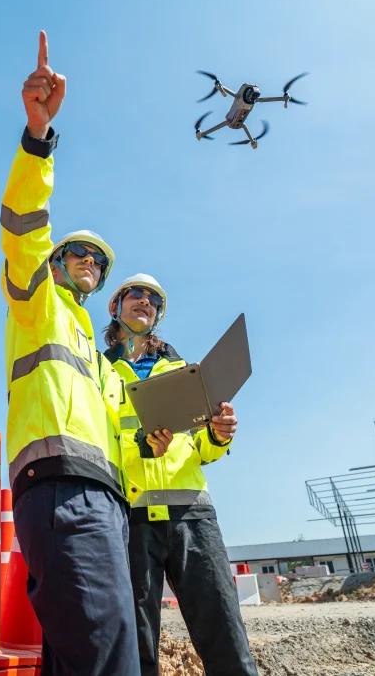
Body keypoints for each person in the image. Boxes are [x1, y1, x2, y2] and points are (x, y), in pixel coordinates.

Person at [0, 30, 140, 676]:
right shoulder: (37, 296)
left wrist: (163, 437)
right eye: (79, 252)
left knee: (81, 650)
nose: (90, 261)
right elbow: (25, 222)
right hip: (60, 488)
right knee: (108, 649)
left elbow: (122, 426)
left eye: (101, 261)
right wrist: (39, 137)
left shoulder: (92, 343)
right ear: (58, 261)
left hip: (103, 496)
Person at [102, 273, 259, 676]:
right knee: (137, 647)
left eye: (153, 298)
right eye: (135, 293)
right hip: (130, 519)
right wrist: (141, 446)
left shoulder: (185, 371)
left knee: (225, 636)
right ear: (114, 306)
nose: (145, 300)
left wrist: (219, 435)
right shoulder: (97, 374)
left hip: (192, 517)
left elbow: (202, 449)